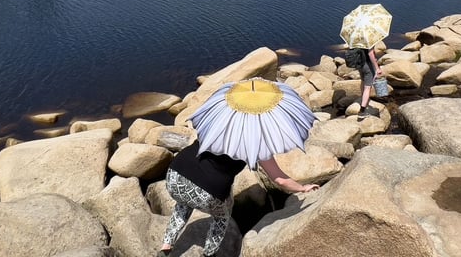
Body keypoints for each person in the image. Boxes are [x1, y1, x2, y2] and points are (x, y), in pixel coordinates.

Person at [158, 140, 319, 257]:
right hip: (207, 191)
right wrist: (302, 188)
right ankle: (209, 253)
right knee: (222, 216)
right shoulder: (256, 142)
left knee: (183, 203)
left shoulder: (218, 119)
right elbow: (280, 180)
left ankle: (166, 247)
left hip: (174, 175)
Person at [357, 46, 384, 119]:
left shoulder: (357, 39)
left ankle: (363, 98)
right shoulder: (369, 40)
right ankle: (362, 111)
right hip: (367, 65)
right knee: (368, 87)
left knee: (363, 81)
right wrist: (377, 68)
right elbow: (370, 54)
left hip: (359, 64)